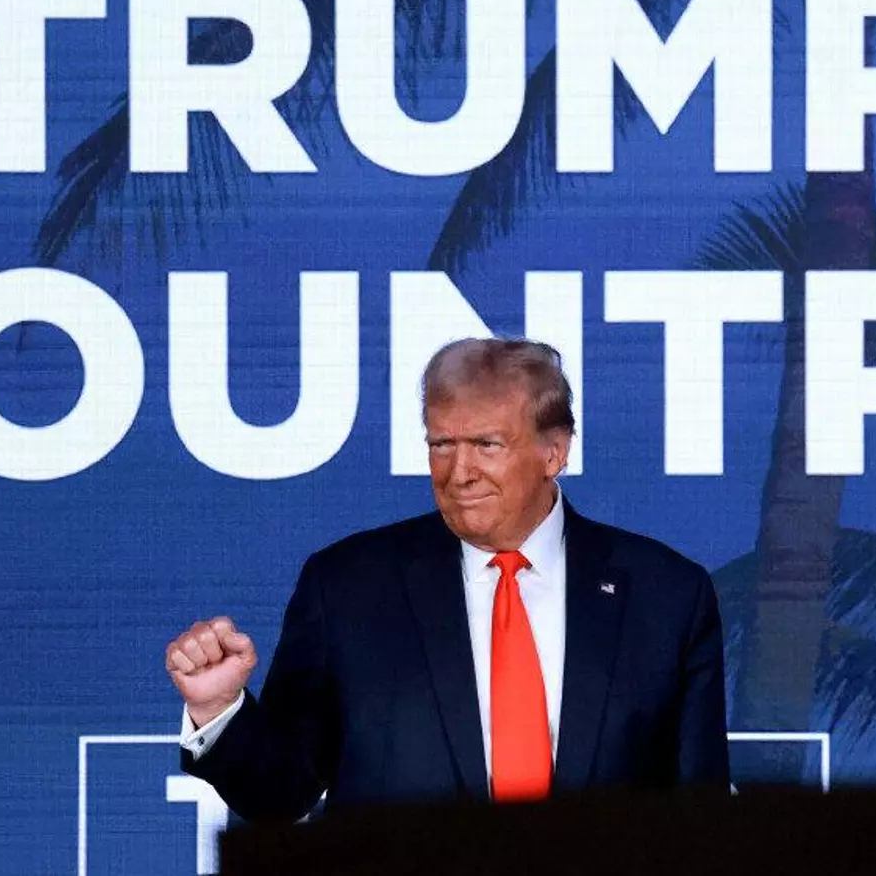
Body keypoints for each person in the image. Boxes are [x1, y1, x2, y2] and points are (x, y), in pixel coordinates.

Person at [165, 337, 729, 823]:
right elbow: (279, 795)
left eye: (487, 445)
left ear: (554, 452)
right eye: (441, 445)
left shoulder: (667, 597)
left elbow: (699, 823)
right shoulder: (347, 589)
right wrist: (220, 711)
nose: (460, 473)